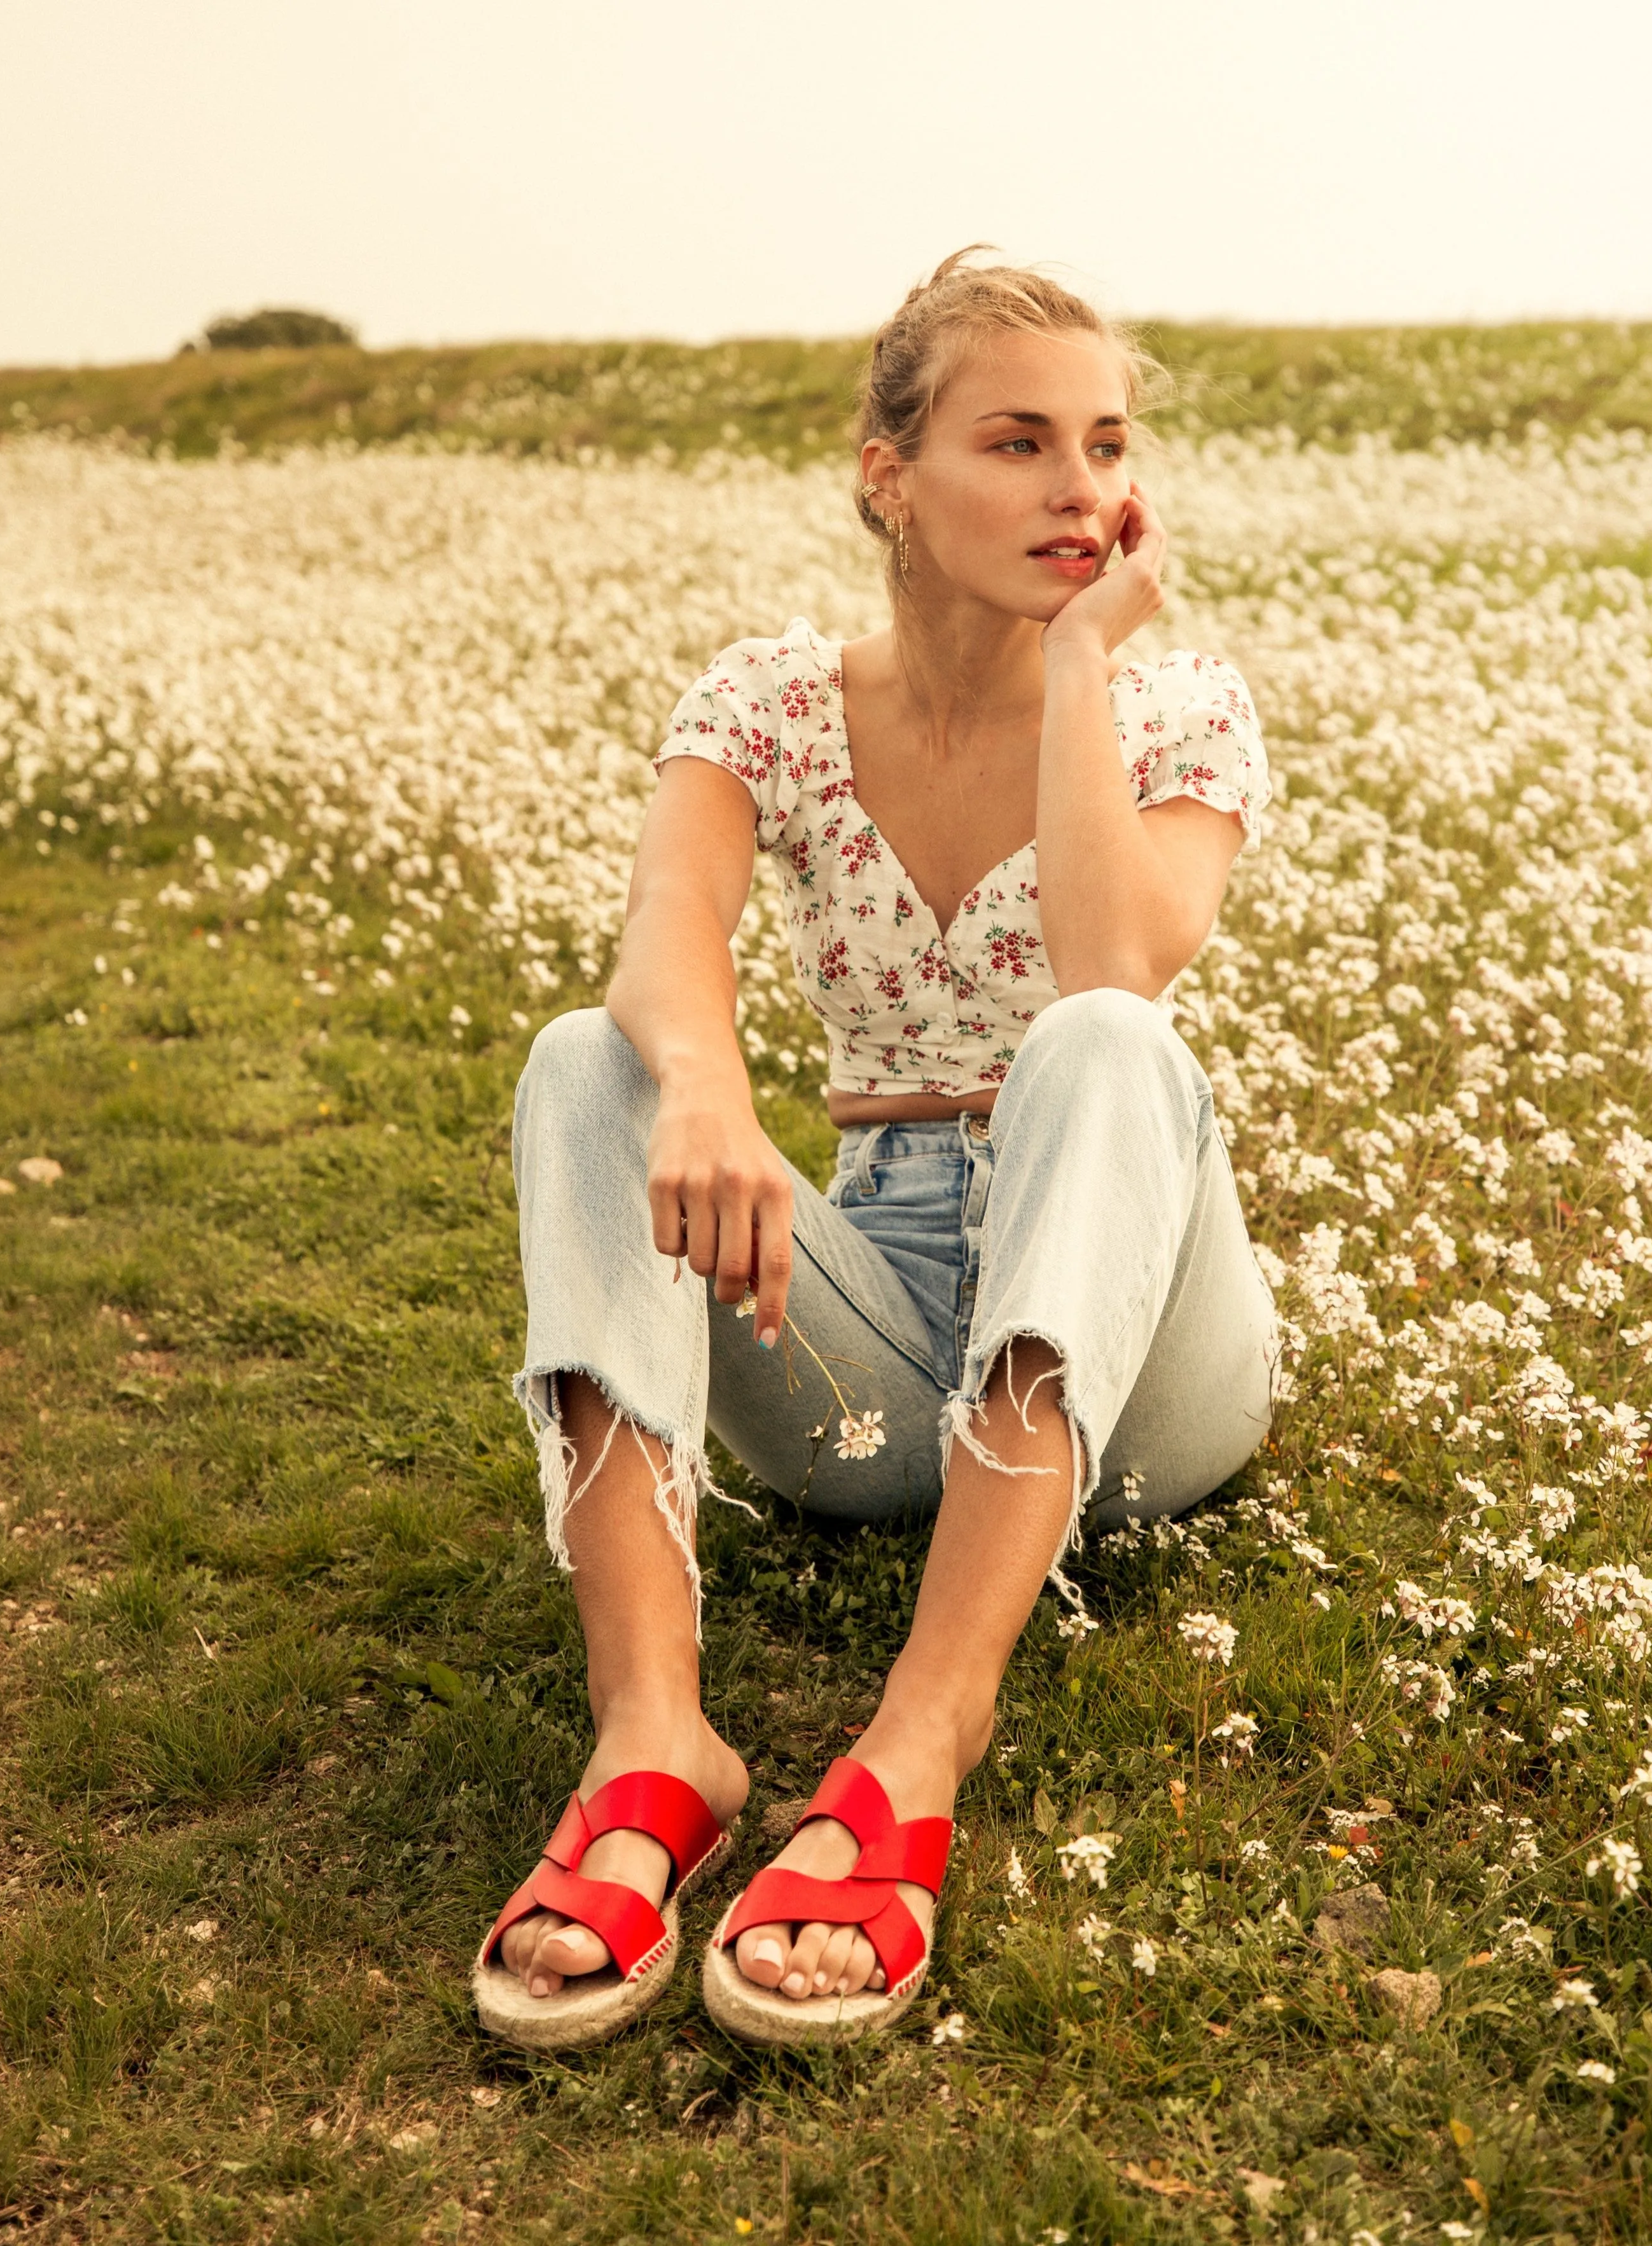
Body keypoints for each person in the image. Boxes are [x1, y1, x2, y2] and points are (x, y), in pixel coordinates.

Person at [470, 249, 1278, 2051]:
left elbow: (1112, 965)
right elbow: (669, 921)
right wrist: (704, 1083)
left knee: (1101, 1040)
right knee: (581, 1062)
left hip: (1137, 1365)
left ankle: (923, 1739)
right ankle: (653, 1739)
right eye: (1016, 440)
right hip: (875, 1332)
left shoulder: (1181, 707)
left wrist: (1081, 670)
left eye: (1106, 443)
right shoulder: (767, 701)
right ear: (887, 473)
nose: (1078, 486)